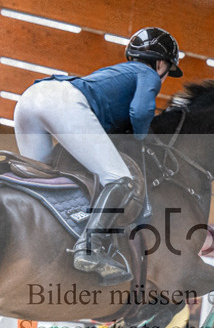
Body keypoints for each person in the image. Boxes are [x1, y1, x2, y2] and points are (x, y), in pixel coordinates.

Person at [12, 27, 182, 284]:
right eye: (168, 68)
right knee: (121, 179)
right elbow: (140, 112)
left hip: (29, 99)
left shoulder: (114, 74)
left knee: (43, 179)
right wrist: (142, 138)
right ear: (161, 63)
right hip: (63, 102)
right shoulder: (148, 75)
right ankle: (90, 246)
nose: (166, 74)